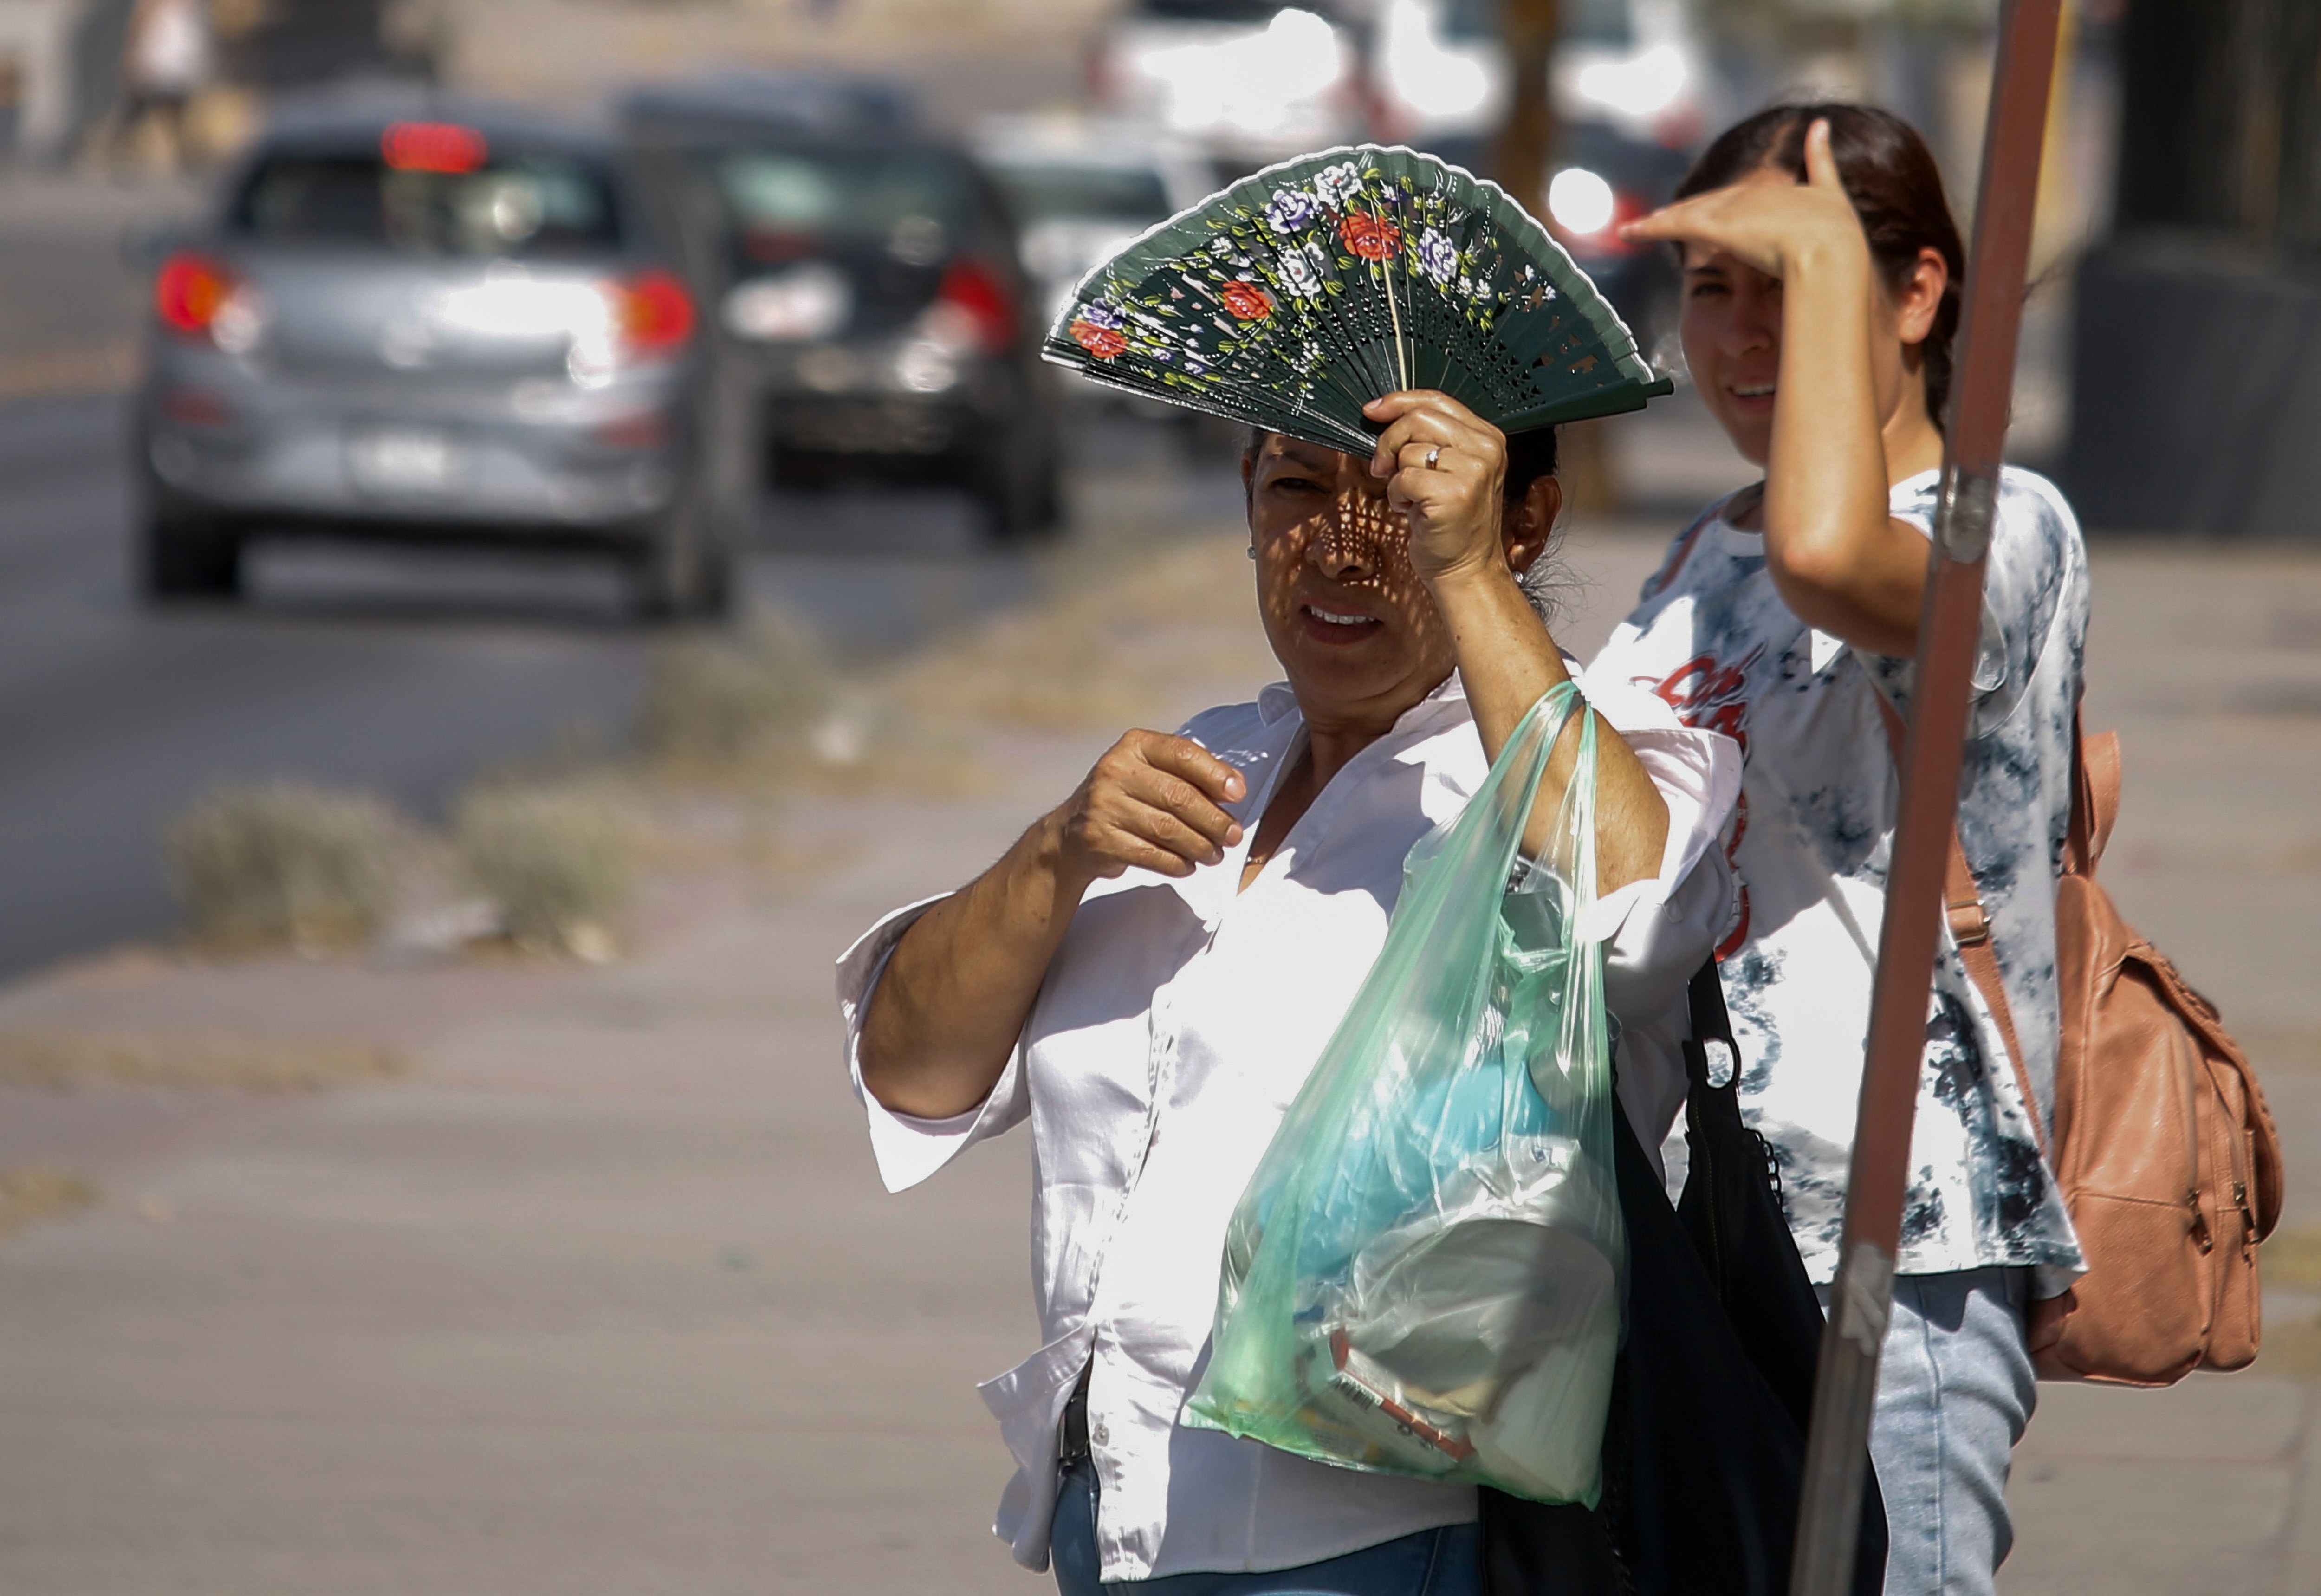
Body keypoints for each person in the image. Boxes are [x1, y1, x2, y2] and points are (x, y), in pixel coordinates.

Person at [837, 396, 1740, 1595]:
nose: (1344, 544)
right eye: (1295, 491)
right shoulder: (1200, 774)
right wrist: (1056, 852)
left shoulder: (1589, 760)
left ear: (1526, 521)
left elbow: (1644, 917)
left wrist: (1465, 573)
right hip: (1113, 1527)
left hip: (1382, 1540)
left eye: (1405, 497)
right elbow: (914, 1068)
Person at [1599, 104, 2090, 1596]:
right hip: (1694, 1231)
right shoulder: (1698, 558)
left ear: (1919, 293)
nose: (1744, 337)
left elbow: (1835, 557)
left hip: (1896, 1242)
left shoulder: (1999, 530)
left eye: (1791, 286)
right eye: (1713, 290)